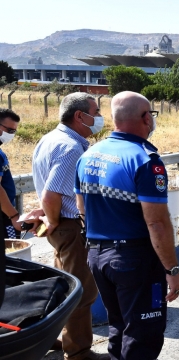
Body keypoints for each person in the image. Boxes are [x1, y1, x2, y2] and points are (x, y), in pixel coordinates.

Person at [74, 91, 179, 360]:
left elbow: (82, 208)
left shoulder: (88, 155)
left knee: (119, 326)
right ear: (146, 118)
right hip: (134, 259)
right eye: (152, 116)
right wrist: (172, 268)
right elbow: (157, 222)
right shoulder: (145, 160)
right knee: (142, 335)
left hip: (98, 256)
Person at [26, 92, 108, 360]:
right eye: (95, 113)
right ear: (79, 116)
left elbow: (48, 190)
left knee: (65, 286)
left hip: (63, 227)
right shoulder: (71, 147)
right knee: (80, 292)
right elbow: (52, 195)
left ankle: (64, 340)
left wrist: (49, 214)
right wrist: (52, 218)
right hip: (70, 227)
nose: (98, 118)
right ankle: (79, 352)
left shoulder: (49, 139)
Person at [0, 109, 21, 240]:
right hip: (4, 217)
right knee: (11, 257)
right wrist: (13, 216)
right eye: (10, 131)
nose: (12, 135)